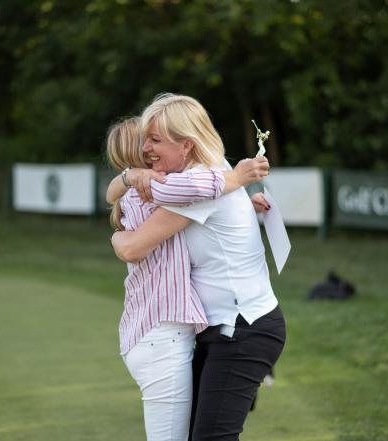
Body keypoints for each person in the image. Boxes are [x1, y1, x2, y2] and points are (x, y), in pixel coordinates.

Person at [110, 93, 285, 441]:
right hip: (222, 329)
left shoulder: (197, 187)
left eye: (155, 140)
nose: (146, 149)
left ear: (187, 146)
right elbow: (115, 190)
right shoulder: (206, 178)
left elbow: (133, 247)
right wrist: (130, 178)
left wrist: (117, 238)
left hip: (241, 329)